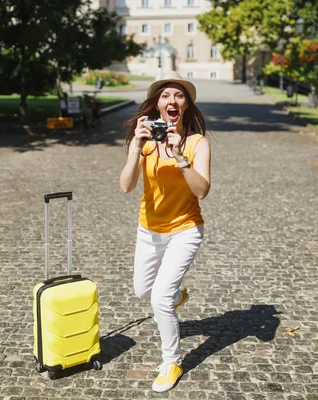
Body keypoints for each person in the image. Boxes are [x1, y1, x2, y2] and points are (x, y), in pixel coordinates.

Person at [119, 71, 211, 392]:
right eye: (165, 96)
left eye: (179, 96)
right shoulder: (141, 140)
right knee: (143, 292)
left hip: (186, 229)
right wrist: (135, 149)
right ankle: (175, 296)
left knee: (158, 299)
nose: (172, 101)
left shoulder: (197, 143)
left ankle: (172, 361)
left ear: (186, 105)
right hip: (149, 229)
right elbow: (126, 187)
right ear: (157, 104)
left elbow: (202, 191)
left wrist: (180, 158)